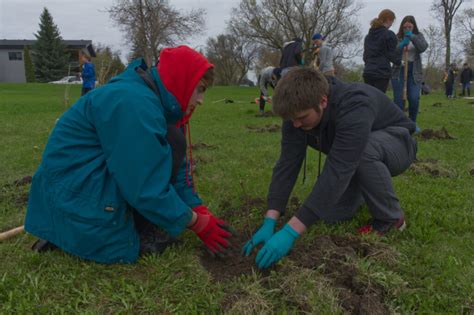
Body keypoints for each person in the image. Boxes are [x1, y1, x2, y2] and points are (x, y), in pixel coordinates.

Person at [25, 46, 235, 264]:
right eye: (199, 89)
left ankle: (134, 221)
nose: (201, 100)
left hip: (84, 186)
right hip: (75, 196)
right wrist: (196, 223)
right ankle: (93, 230)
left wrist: (197, 208)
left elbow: (176, 166)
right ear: (182, 81)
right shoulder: (134, 104)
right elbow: (145, 186)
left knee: (174, 139)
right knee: (165, 150)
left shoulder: (158, 103)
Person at [243, 68, 417, 269]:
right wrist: (270, 219)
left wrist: (290, 232)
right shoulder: (295, 113)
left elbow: (339, 168)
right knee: (327, 215)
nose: (296, 124)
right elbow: (287, 163)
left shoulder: (355, 104)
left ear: (322, 101)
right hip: (353, 157)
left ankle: (391, 218)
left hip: (397, 144)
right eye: (292, 120)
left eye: (301, 118)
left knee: (364, 151)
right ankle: (363, 191)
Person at [391, 16, 428, 127]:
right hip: (398, 71)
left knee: (413, 98)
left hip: (414, 71)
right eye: (405, 27)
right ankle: (400, 123)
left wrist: (412, 37)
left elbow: (423, 47)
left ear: (413, 26)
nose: (407, 28)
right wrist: (401, 44)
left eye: (409, 26)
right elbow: (392, 53)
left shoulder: (419, 36)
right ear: (402, 27)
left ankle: (412, 123)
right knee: (399, 100)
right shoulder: (397, 37)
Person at [363, 9, 400, 93]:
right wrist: (400, 62)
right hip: (381, 72)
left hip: (368, 71)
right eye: (392, 21)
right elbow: (391, 54)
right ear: (388, 19)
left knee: (369, 98)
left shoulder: (368, 36)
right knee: (379, 98)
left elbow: (365, 56)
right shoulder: (389, 34)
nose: (391, 24)